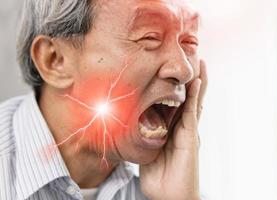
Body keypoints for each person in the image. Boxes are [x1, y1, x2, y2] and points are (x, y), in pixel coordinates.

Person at [0, 0, 207, 199]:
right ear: (54, 60)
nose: (184, 70)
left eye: (189, 42)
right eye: (149, 37)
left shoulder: (174, 190)